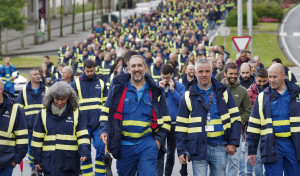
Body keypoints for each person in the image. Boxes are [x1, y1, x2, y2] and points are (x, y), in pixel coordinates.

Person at [99, 55, 171, 175]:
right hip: (124, 146)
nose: (136, 69)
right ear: (128, 69)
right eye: (133, 66)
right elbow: (105, 113)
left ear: (146, 68)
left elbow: (167, 121)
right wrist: (104, 130)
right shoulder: (118, 89)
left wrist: (157, 142)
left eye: (139, 65)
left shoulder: (155, 92)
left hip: (147, 144)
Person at [176, 58, 241, 176]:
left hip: (220, 147)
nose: (204, 75)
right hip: (198, 148)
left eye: (207, 71)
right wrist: (181, 150)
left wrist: (233, 142)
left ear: (212, 71)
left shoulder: (224, 92)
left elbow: (236, 119)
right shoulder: (187, 96)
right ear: (195, 73)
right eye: (200, 72)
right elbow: (181, 126)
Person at [247, 63, 300, 176]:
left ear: (284, 76)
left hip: (294, 144)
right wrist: (251, 151)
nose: (271, 80)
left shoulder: (297, 95)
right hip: (272, 145)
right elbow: (253, 126)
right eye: (269, 77)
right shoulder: (262, 98)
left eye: (274, 77)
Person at [31, 82, 90, 176]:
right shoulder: (42, 113)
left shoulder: (76, 113)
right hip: (49, 162)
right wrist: (37, 159)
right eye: (57, 99)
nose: (59, 102)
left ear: (69, 97)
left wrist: (84, 152)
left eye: (63, 99)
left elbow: (82, 136)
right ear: (51, 97)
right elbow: (37, 139)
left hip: (70, 163)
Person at [71, 60, 108, 176]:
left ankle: (100, 175)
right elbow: (71, 106)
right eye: (88, 71)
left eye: (92, 70)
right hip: (83, 125)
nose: (90, 73)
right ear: (83, 69)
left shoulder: (101, 83)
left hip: (98, 125)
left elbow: (106, 105)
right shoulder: (75, 84)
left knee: (101, 149)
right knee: (84, 153)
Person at [221, 63, 252, 176]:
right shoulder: (217, 88)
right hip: (219, 132)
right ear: (225, 74)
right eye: (230, 74)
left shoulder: (243, 91)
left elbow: (248, 110)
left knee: (234, 162)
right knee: (219, 163)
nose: (233, 76)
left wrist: (238, 123)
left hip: (236, 133)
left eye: (235, 73)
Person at [17, 68, 47, 176]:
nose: (38, 76)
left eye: (38, 74)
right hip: (29, 127)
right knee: (31, 149)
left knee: (43, 148)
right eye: (35, 74)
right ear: (30, 77)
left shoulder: (46, 90)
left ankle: (42, 169)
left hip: (44, 126)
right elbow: (19, 110)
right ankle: (33, 170)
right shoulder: (23, 91)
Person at [157, 64, 185, 176]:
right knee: (159, 152)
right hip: (161, 125)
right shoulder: (157, 86)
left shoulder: (179, 86)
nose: (165, 80)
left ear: (172, 75)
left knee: (170, 153)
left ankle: (167, 174)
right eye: (163, 77)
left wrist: (173, 90)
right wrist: (159, 89)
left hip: (174, 124)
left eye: (167, 78)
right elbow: (153, 101)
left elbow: (182, 103)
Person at [0, 79, 28, 176]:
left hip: (6, 163)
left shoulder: (16, 109)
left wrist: (16, 160)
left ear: (0, 89)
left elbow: (22, 138)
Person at [247, 68, 269, 176]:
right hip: (255, 129)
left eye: (264, 81)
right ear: (255, 79)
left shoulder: (271, 91)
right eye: (259, 81)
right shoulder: (249, 92)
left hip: (268, 129)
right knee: (258, 158)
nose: (262, 84)